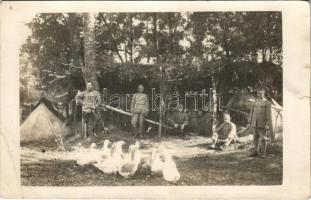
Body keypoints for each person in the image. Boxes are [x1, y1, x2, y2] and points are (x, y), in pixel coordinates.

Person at [248, 88, 272, 158]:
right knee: (255, 138)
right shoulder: (255, 102)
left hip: (262, 124)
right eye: (258, 93)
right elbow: (251, 112)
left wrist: (267, 124)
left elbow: (269, 115)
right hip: (254, 123)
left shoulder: (267, 103)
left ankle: (263, 153)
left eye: (261, 93)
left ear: (263, 93)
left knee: (263, 139)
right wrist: (250, 121)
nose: (259, 94)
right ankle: (256, 151)